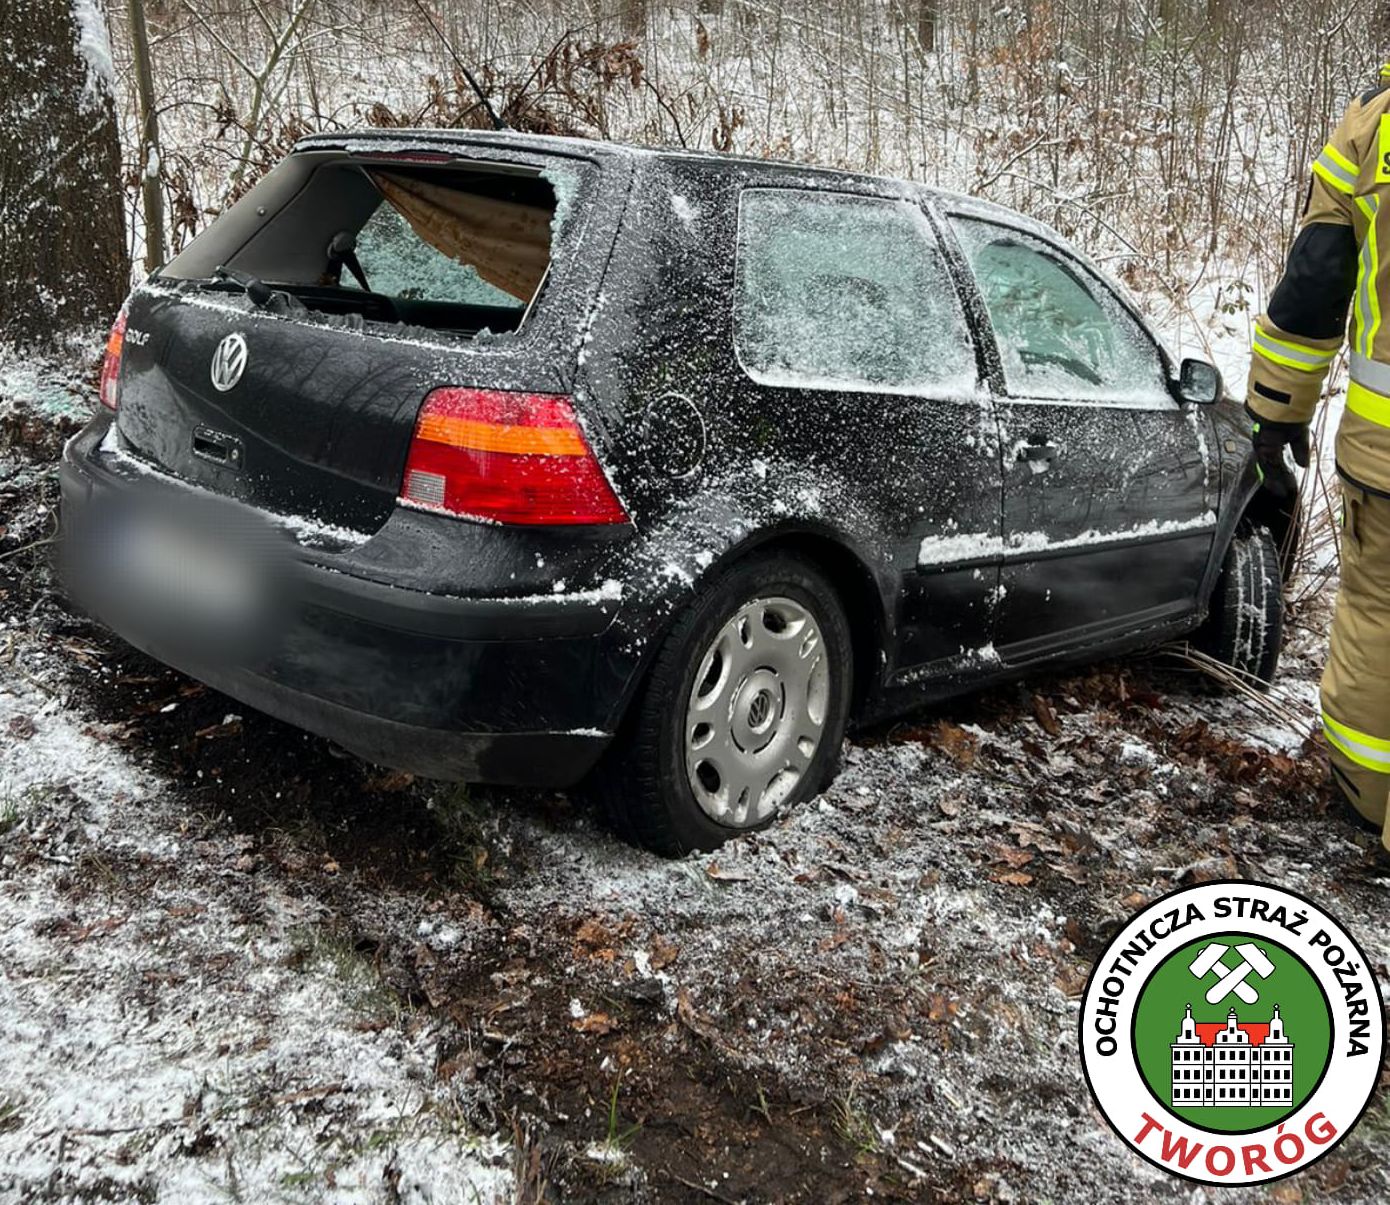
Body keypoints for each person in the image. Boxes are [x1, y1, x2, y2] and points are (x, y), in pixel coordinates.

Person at [1247, 65, 1390, 847]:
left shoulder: (1373, 128)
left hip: (1384, 457)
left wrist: (1273, 412)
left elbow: (1314, 286)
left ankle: (1369, 803)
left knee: (1379, 616)